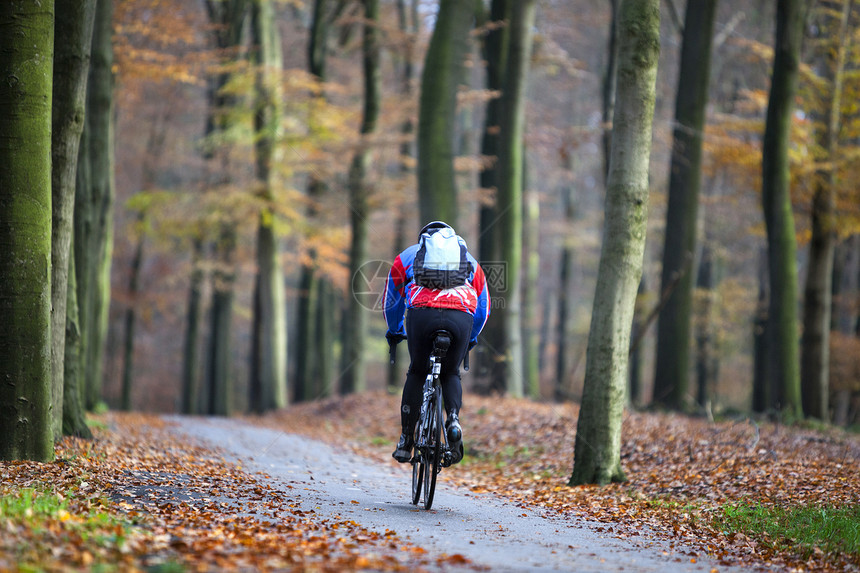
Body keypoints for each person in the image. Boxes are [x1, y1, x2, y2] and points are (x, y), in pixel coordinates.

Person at [383, 221, 490, 466]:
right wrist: (470, 337)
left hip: (422, 316)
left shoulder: (407, 257)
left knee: (418, 371)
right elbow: (483, 309)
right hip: (460, 318)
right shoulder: (470, 261)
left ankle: (406, 440)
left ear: (424, 241)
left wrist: (395, 330)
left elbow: (392, 301)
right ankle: (452, 419)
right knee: (451, 372)